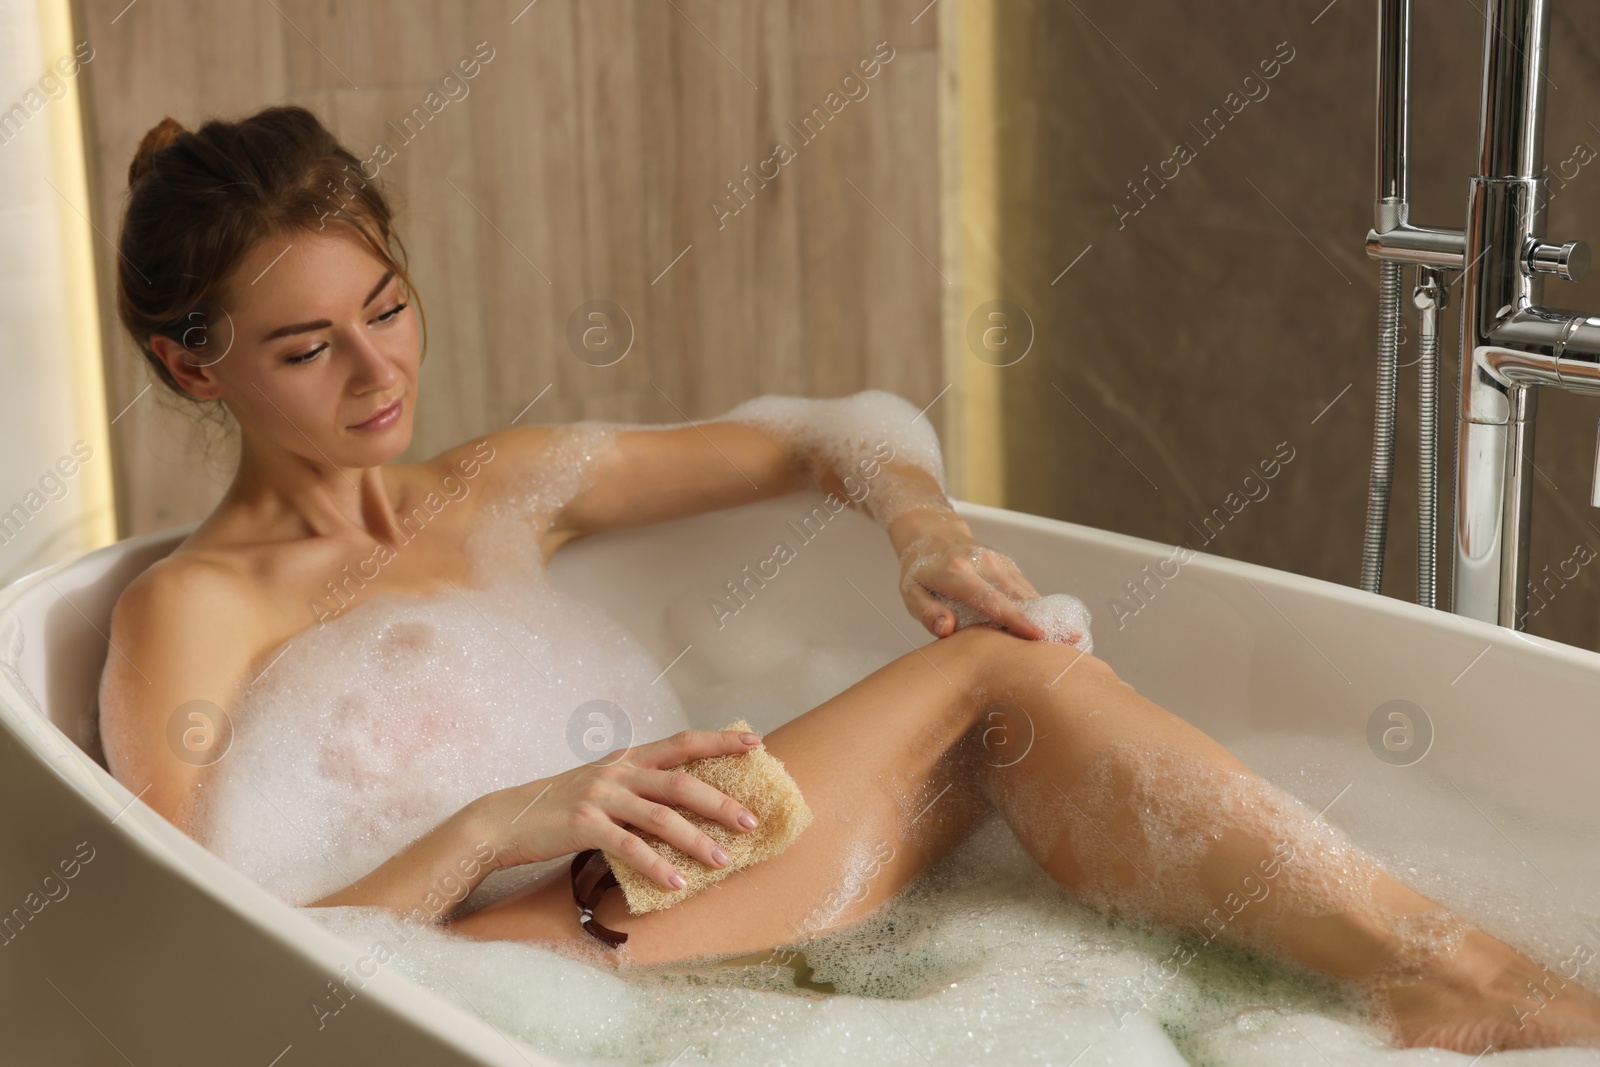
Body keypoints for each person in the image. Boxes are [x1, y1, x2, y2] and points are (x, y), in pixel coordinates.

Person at [97, 105, 1600, 1055]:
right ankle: (1454, 984)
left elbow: (820, 441)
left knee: (1007, 665)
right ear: (192, 364)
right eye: (307, 349)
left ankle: (1443, 977)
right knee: (1008, 680)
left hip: (651, 890)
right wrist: (504, 817)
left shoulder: (496, 488)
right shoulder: (195, 611)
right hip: (488, 962)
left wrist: (926, 534)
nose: (378, 371)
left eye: (390, 307)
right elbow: (192, 953)